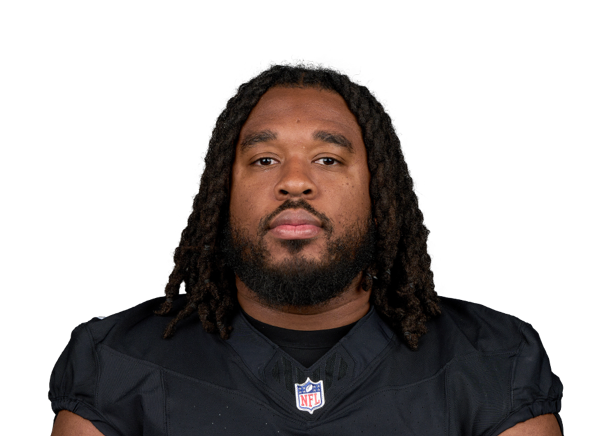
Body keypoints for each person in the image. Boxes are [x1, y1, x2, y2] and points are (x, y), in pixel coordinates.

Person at [49, 59, 563, 435]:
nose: (295, 182)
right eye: (265, 160)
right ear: (222, 192)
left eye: (328, 159)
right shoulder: (117, 363)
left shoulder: (495, 362)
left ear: (379, 191)